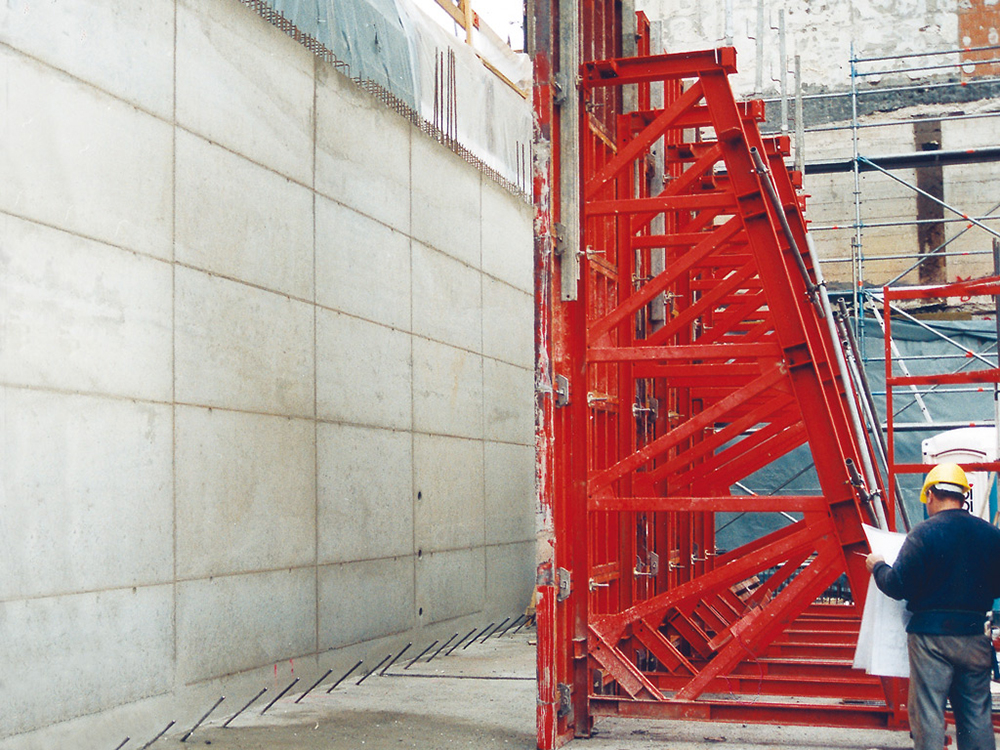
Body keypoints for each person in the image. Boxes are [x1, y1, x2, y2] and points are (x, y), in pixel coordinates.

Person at [865, 462, 1000, 750]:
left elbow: (899, 585)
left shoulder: (923, 533)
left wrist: (878, 567)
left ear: (930, 495)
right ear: (964, 496)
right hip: (975, 636)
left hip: (930, 640)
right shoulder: (991, 536)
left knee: (928, 714)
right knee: (976, 716)